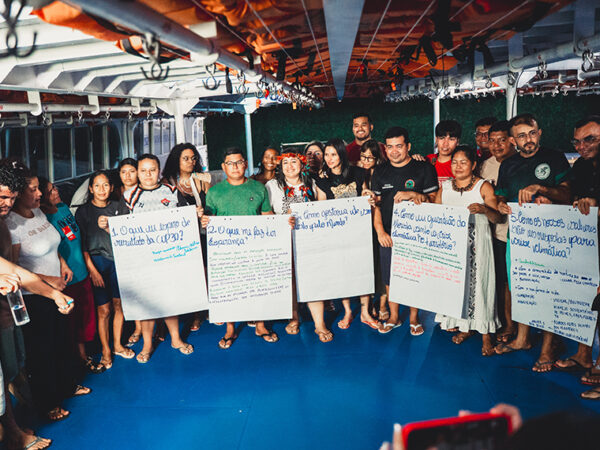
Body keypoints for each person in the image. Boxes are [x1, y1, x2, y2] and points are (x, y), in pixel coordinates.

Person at [5, 163, 89, 422]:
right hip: (34, 298)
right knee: (41, 352)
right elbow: (14, 268)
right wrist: (48, 280)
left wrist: (62, 264)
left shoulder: (38, 212)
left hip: (56, 290)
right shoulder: (12, 225)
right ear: (19, 194)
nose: (39, 193)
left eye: (39, 188)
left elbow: (52, 243)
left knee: (62, 342)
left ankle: (67, 386)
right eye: (33, 190)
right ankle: (47, 403)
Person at [494, 113, 571, 373]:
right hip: (519, 236)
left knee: (549, 289)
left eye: (532, 133)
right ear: (513, 140)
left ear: (539, 133)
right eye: (521, 136)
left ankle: (548, 347)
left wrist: (542, 189)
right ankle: (523, 338)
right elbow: (501, 196)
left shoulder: (554, 157)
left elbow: (568, 193)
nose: (528, 139)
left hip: (551, 237)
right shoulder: (508, 165)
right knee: (521, 286)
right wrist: (501, 205)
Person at [112, 154, 196, 363]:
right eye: (143, 170)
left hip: (169, 258)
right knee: (146, 305)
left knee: (170, 300)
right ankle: (147, 344)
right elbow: (121, 229)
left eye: (152, 170)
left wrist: (196, 214)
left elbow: (186, 219)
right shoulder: (129, 196)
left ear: (159, 171)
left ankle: (176, 339)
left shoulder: (172, 191)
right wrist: (107, 226)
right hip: (142, 262)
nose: (148, 174)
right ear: (138, 173)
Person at [202, 147, 280, 349]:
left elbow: (267, 215)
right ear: (223, 167)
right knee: (229, 288)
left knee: (259, 286)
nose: (235, 167)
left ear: (245, 164)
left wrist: (284, 222)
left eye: (239, 162)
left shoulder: (258, 188)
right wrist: (204, 221)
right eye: (230, 163)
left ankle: (260, 326)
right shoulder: (214, 192)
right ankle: (230, 328)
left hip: (256, 247)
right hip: (227, 250)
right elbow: (209, 219)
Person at [434, 146, 502, 355]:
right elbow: (434, 215)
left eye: (463, 162)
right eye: (454, 162)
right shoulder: (445, 187)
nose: (458, 166)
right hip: (454, 248)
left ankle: (486, 334)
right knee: (459, 287)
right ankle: (465, 327)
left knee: (481, 286)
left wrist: (484, 209)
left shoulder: (483, 187)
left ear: (473, 165)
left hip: (479, 246)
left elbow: (498, 218)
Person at [371, 127, 439, 334]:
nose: (394, 151)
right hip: (389, 234)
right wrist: (380, 231)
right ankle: (394, 316)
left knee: (414, 276)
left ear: (408, 146)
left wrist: (416, 195)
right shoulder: (380, 171)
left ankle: (414, 317)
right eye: (390, 147)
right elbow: (375, 205)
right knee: (389, 277)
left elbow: (435, 201)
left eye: (399, 146)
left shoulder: (424, 169)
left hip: (415, 234)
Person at [265, 152, 334, 342]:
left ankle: (319, 324)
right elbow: (266, 213)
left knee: (314, 279)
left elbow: (322, 208)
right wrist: (282, 220)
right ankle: (294, 318)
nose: (289, 166)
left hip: (309, 240)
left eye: (293, 162)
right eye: (285, 163)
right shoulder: (272, 186)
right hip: (283, 240)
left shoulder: (312, 183)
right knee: (290, 281)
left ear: (302, 165)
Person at [315, 138, 381, 331]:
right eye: (326, 155)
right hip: (336, 234)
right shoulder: (322, 180)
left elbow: (366, 193)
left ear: (341, 154)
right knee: (342, 273)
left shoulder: (359, 173)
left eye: (333, 154)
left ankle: (365, 312)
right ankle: (347, 311)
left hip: (360, 232)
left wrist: (369, 197)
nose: (329, 158)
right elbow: (321, 208)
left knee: (363, 270)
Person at [39, 177, 101, 373]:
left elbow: (77, 240)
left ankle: (84, 353)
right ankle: (80, 359)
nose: (56, 191)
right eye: (51, 191)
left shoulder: (63, 208)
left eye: (55, 188)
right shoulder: (43, 219)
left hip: (82, 272)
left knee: (85, 316)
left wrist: (88, 267)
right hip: (66, 279)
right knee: (72, 322)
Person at [554, 116, 600, 379]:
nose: (582, 146)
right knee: (585, 296)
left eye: (589, 139)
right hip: (587, 242)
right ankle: (583, 354)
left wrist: (596, 206)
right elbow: (573, 198)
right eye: (578, 141)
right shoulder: (581, 166)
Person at [75, 171, 135, 370]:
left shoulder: (120, 206)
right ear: (91, 189)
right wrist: (92, 270)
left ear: (112, 187)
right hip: (97, 263)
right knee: (104, 310)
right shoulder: (83, 211)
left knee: (119, 306)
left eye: (106, 185)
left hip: (118, 262)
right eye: (97, 186)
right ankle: (106, 350)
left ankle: (117, 345)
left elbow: (128, 236)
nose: (102, 189)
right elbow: (82, 245)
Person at [162, 143, 211, 332]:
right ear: (176, 160)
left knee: (204, 273)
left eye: (193, 158)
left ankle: (205, 310)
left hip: (202, 233)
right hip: (181, 238)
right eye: (185, 158)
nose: (190, 161)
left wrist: (204, 213)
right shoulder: (167, 183)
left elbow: (211, 204)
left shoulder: (202, 179)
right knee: (188, 275)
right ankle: (193, 313)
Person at [479, 121, 517, 343]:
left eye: (501, 140)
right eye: (491, 140)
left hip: (519, 235)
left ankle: (517, 326)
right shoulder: (486, 166)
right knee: (501, 280)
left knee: (515, 282)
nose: (496, 145)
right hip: (494, 233)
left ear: (512, 140)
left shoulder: (520, 163)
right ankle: (505, 322)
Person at [114, 158, 142, 346]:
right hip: (124, 250)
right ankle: (138, 327)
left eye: (131, 171)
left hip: (145, 246)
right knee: (134, 291)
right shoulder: (114, 194)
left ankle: (158, 326)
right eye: (124, 172)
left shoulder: (144, 192)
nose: (128, 176)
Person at [360, 140, 389, 321]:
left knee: (381, 266)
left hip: (381, 221)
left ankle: (383, 304)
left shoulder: (384, 173)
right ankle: (369, 304)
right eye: (363, 157)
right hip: (362, 226)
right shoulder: (357, 172)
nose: (365, 161)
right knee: (367, 265)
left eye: (369, 158)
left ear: (378, 158)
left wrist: (376, 200)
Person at [427, 120, 462, 184]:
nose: (445, 144)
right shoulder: (427, 160)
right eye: (442, 138)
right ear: (436, 139)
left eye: (451, 139)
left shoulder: (460, 165)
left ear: (457, 142)